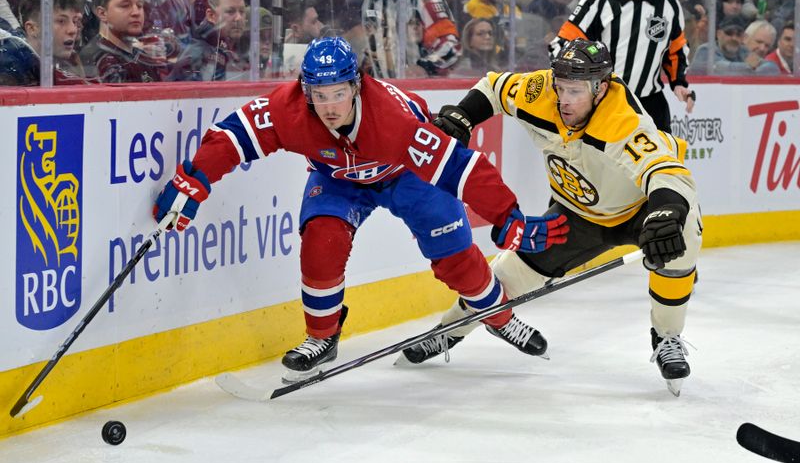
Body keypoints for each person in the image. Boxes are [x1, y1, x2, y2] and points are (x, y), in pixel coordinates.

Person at [153, 36, 569, 383]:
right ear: (305, 91)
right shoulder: (288, 109)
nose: (330, 106)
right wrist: (193, 180)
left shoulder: (393, 121)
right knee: (321, 241)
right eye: (319, 96)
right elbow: (231, 137)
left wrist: (506, 215)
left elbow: (461, 165)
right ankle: (322, 336)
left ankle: (500, 319)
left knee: (457, 261)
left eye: (338, 94)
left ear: (356, 86)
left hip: (408, 175)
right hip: (338, 179)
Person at [414, 39, 702, 396]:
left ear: (600, 88)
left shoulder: (623, 120)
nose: (563, 100)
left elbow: (665, 170)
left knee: (682, 236)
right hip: (576, 214)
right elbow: (494, 87)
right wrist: (464, 114)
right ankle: (448, 332)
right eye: (560, 87)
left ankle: (667, 337)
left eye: (575, 91)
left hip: (636, 210)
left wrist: (665, 210)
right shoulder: (541, 92)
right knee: (503, 280)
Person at [551, 0, 695, 134]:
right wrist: (572, 86)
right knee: (602, 166)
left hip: (651, 105)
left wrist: (678, 83)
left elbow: (676, 49)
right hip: (605, 103)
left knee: (660, 166)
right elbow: (563, 44)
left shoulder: (668, 2)